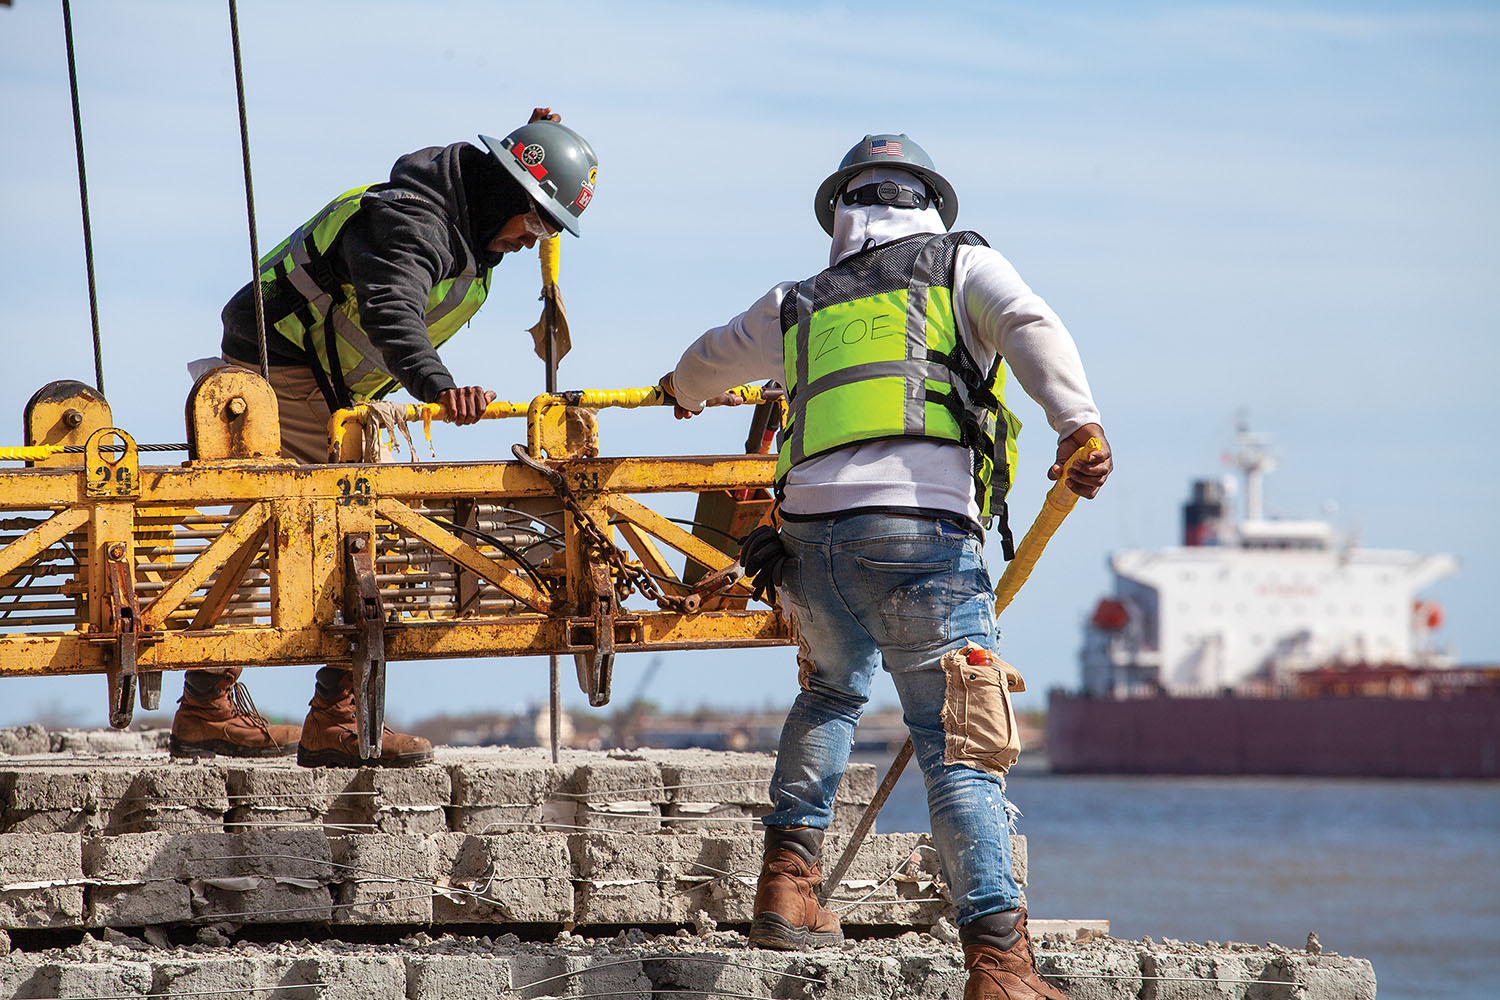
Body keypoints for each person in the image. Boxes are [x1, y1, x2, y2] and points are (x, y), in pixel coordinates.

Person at [660, 134, 1110, 999]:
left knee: (830, 693)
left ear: (842, 212)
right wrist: (1078, 424)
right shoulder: (960, 264)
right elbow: (1028, 324)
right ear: (928, 205)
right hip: (919, 537)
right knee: (958, 748)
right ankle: (1001, 969)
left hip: (809, 546)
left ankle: (786, 889)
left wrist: (680, 392)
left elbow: (708, 358)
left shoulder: (800, 300)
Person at [170, 108, 599, 768]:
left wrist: (532, 132)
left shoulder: (466, 226)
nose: (533, 240)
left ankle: (301, 714)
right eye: (538, 221)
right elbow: (392, 308)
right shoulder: (413, 220)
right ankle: (242, 711)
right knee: (295, 539)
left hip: (335, 391)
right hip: (282, 370)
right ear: (507, 194)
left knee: (354, 540)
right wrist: (438, 385)